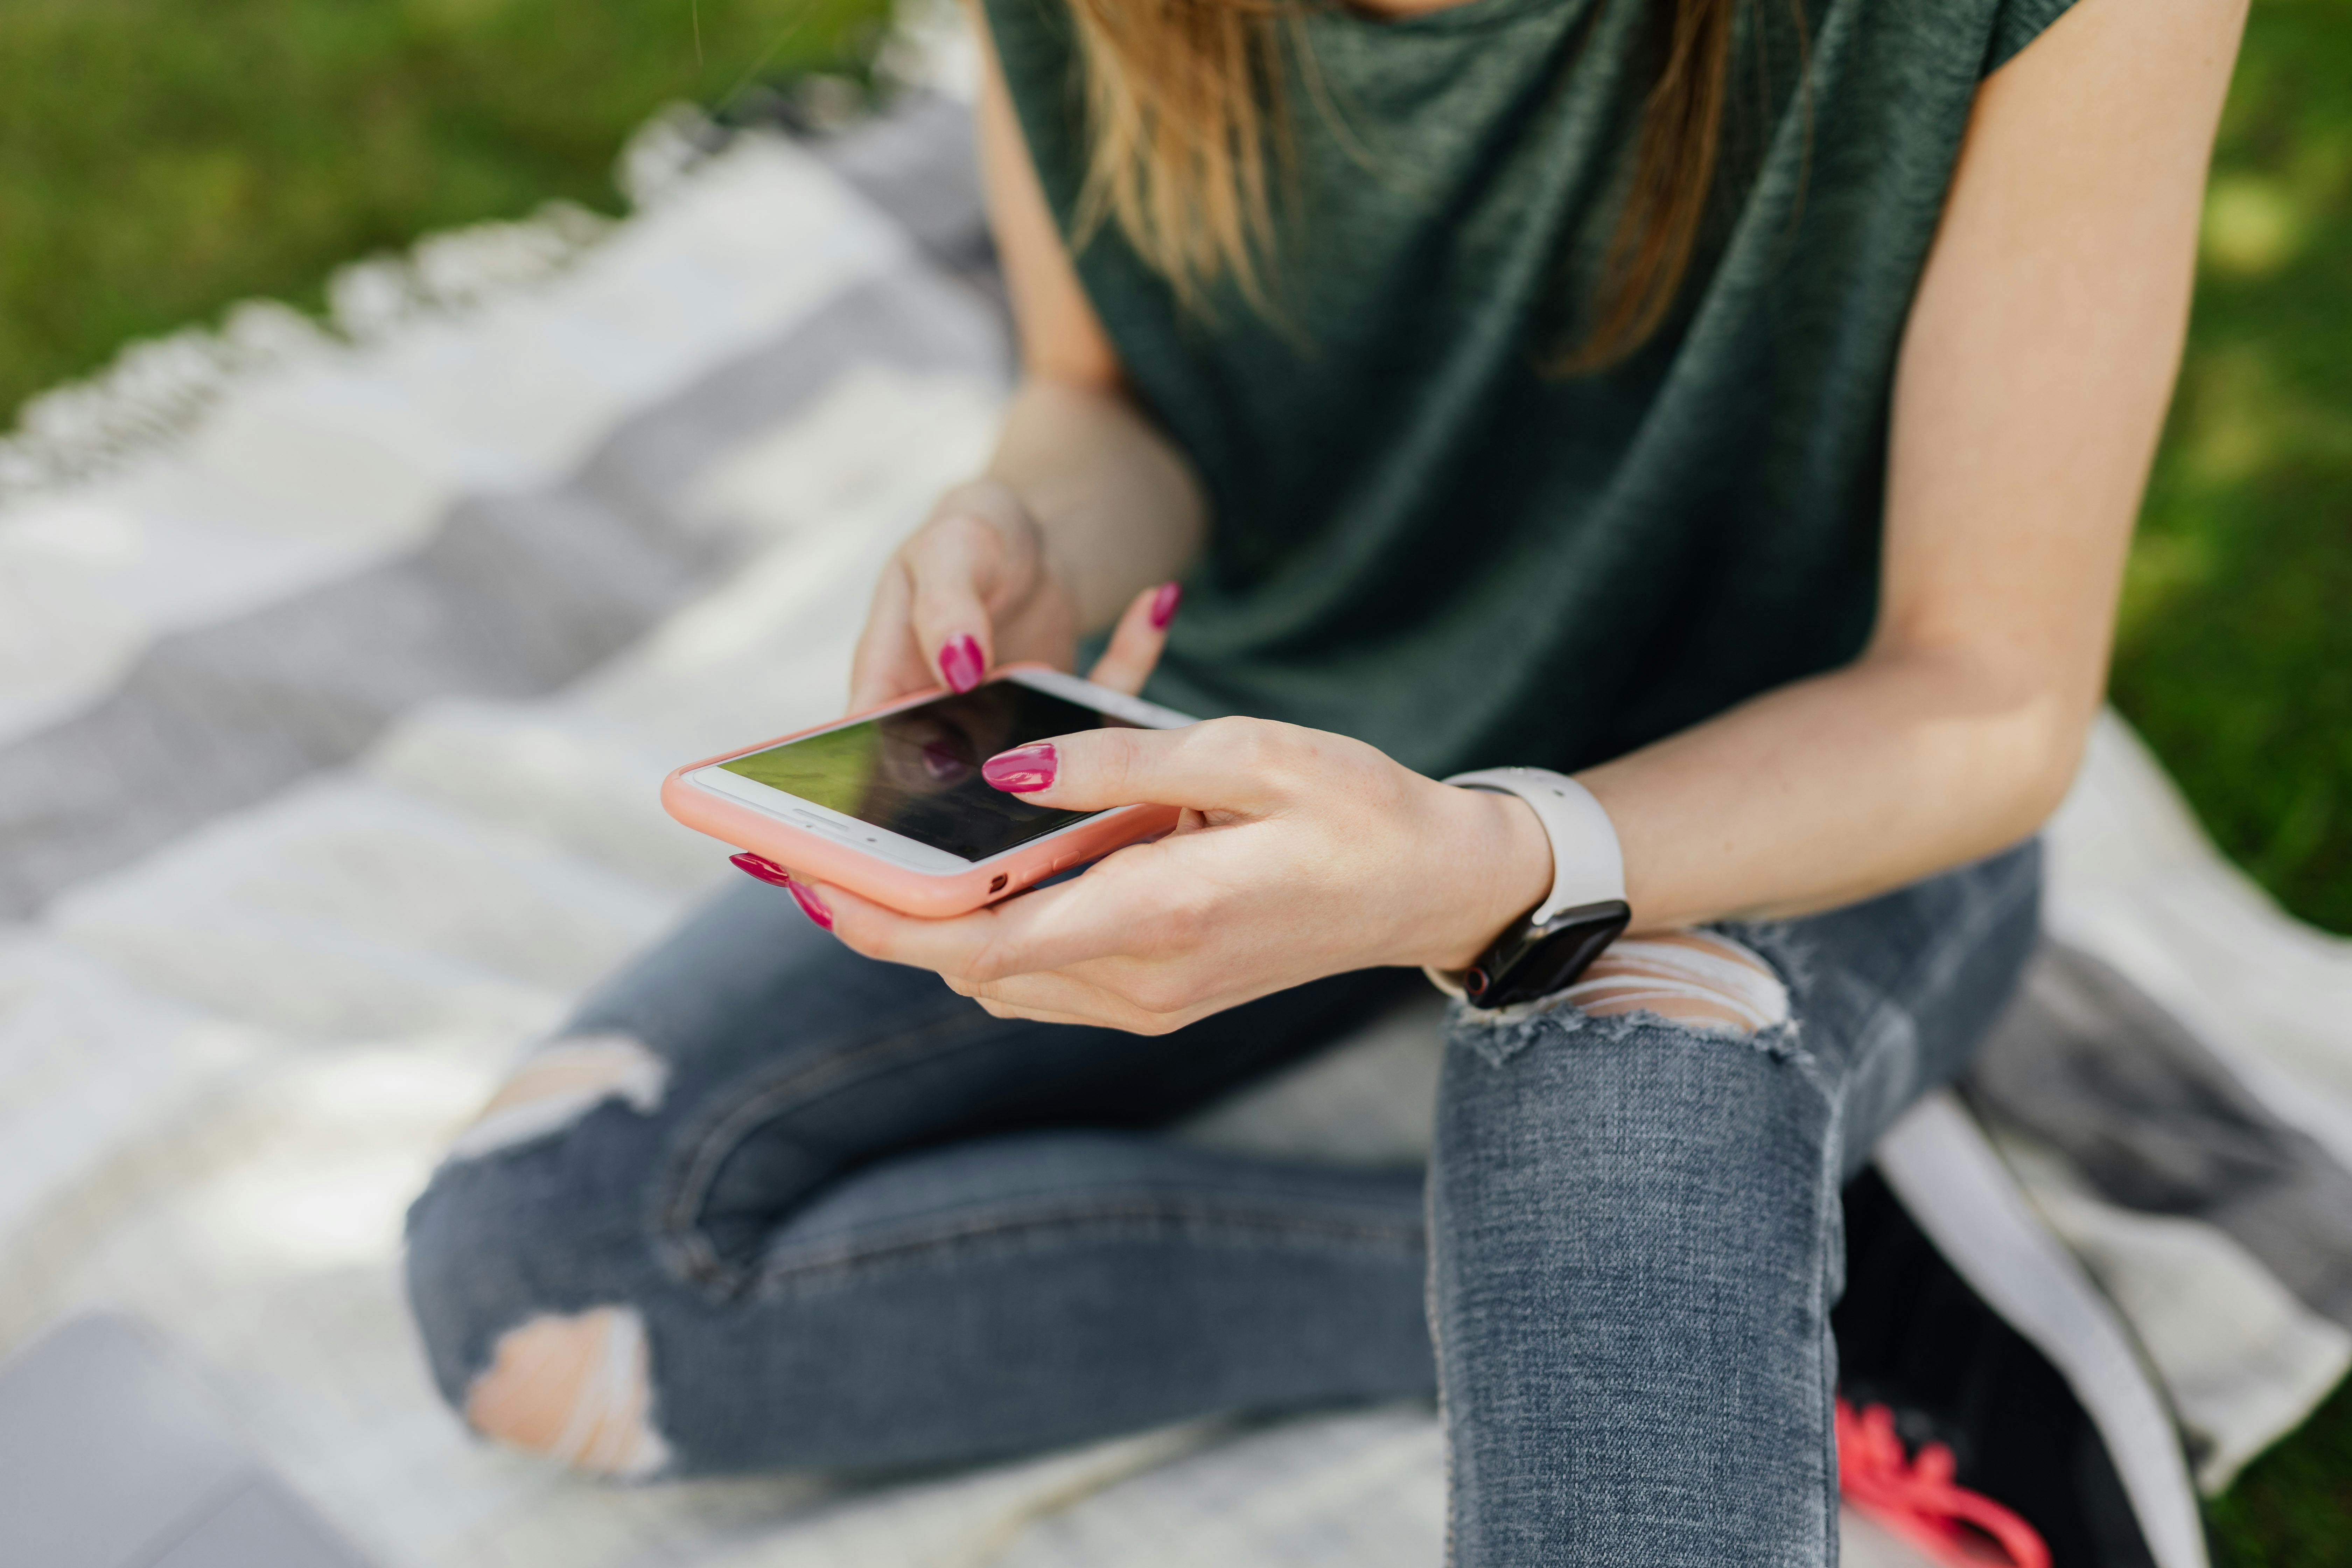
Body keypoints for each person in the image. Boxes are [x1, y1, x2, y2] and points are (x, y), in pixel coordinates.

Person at [404, 0, 2246, 1558]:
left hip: (1788, 785)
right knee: (544, 1275)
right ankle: (1809, 1314)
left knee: (1618, 1123)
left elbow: (1986, 696)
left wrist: (1477, 868)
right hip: (1266, 735)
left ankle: (1704, 1286)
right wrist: (1033, 529)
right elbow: (1108, 397)